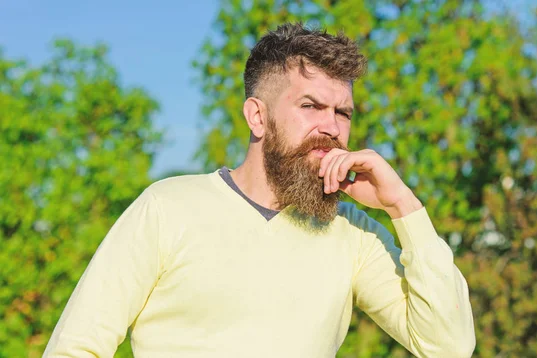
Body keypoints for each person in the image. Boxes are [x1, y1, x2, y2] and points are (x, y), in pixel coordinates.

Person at [44, 23, 476, 357]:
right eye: (310, 106)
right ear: (257, 117)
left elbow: (447, 346)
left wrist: (403, 206)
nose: (331, 126)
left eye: (342, 112)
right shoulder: (167, 208)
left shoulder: (354, 234)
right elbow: (75, 347)